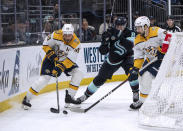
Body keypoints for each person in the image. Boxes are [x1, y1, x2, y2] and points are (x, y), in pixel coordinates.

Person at [76, 17, 139, 105]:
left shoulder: (131, 33)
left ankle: (135, 93)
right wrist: (105, 42)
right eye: (118, 26)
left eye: (122, 26)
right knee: (100, 78)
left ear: (125, 25)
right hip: (113, 59)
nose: (120, 27)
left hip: (127, 57)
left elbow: (129, 45)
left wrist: (118, 34)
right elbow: (103, 52)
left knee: (132, 73)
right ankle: (85, 95)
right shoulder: (109, 33)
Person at [22, 24, 83, 110]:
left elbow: (70, 60)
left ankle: (69, 98)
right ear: (63, 33)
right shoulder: (56, 34)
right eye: (65, 34)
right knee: (44, 79)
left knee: (78, 74)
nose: (67, 37)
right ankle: (27, 99)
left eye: (69, 35)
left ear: (73, 34)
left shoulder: (76, 43)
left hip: (65, 61)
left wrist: (59, 67)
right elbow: (45, 44)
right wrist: (52, 56)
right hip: (51, 60)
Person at [129, 16, 172, 110]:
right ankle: (145, 99)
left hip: (164, 61)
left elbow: (170, 37)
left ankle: (144, 102)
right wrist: (135, 68)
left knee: (146, 77)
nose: (137, 29)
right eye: (136, 27)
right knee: (141, 77)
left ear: (145, 26)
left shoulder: (157, 31)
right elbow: (139, 57)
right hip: (151, 60)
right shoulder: (138, 39)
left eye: (139, 27)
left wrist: (163, 51)